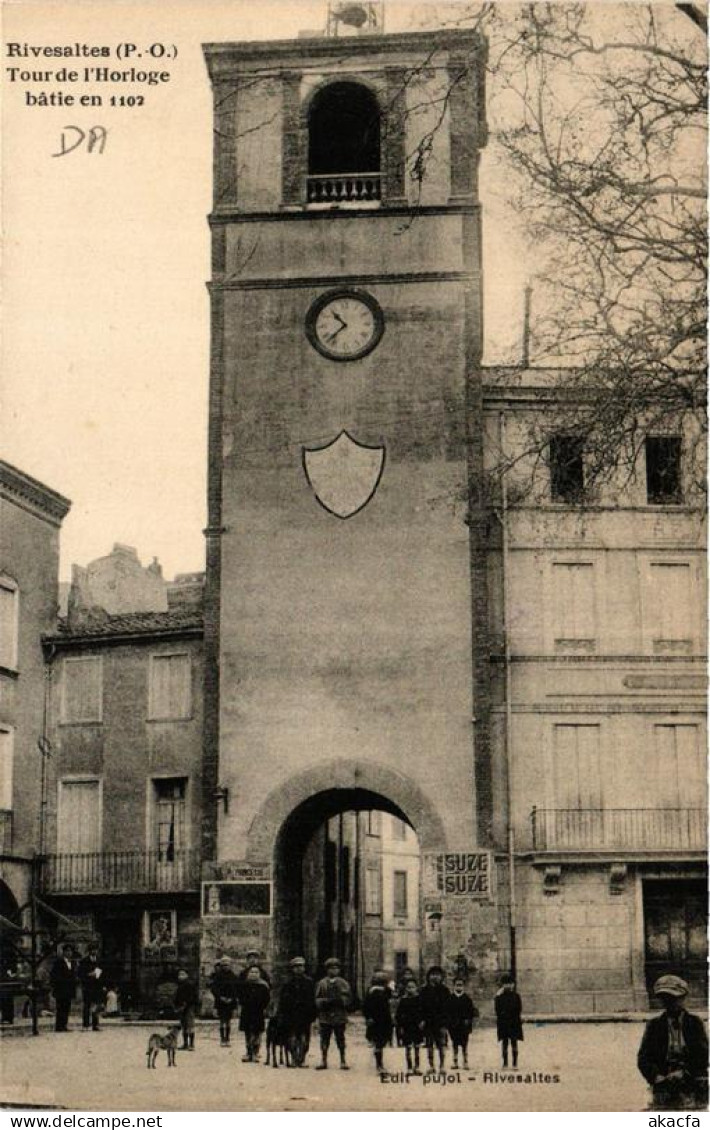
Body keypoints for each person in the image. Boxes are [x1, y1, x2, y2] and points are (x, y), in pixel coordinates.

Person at [638, 975, 708, 1110]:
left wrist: (685, 1073)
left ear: (683, 998)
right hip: (664, 1083)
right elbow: (643, 1058)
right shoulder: (654, 1025)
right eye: (665, 999)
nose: (670, 1003)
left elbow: (703, 1056)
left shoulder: (695, 1023)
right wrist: (656, 1076)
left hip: (693, 1082)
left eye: (674, 999)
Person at [278, 956, 317, 1067]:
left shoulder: (309, 982)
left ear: (304, 968)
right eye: (296, 967)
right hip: (291, 1014)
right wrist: (282, 1013)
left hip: (305, 1014)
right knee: (292, 1037)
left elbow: (312, 999)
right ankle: (294, 1058)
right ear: (292, 968)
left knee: (304, 1038)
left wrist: (313, 1014)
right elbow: (283, 1000)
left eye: (301, 966)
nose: (298, 969)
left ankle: (302, 1058)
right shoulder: (287, 983)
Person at [314, 956, 351, 1071]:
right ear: (327, 970)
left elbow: (348, 999)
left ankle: (343, 1060)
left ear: (339, 970)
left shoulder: (343, 983)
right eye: (331, 968)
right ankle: (323, 1060)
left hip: (339, 1015)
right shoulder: (322, 983)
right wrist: (324, 1002)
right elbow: (317, 998)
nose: (333, 970)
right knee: (324, 1039)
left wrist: (340, 1001)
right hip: (325, 1016)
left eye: (336, 968)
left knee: (340, 1038)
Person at [419, 965, 451, 1074]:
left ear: (441, 977)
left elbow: (448, 1008)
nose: (435, 977)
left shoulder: (445, 991)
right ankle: (431, 1066)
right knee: (429, 1045)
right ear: (428, 977)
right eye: (432, 975)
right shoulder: (424, 990)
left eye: (437, 975)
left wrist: (446, 1023)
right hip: (428, 1022)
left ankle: (442, 1066)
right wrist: (422, 1019)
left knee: (441, 1045)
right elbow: (421, 1007)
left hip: (441, 1023)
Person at [363, 970, 393, 1075]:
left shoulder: (385, 991)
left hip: (383, 1020)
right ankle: (379, 1065)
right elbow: (366, 1007)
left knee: (380, 1043)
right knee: (379, 1044)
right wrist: (368, 1018)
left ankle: (379, 1064)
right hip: (377, 1021)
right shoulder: (372, 992)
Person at [239, 964, 270, 1062]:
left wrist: (263, 1007)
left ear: (259, 974)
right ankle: (248, 1052)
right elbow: (241, 997)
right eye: (252, 972)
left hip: (258, 1012)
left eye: (256, 972)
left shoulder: (263, 986)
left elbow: (266, 999)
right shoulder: (244, 985)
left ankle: (256, 1052)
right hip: (247, 1011)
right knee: (248, 1033)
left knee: (257, 1033)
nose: (254, 974)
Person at [396, 977, 424, 1075]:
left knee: (417, 1047)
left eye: (412, 987)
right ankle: (409, 1067)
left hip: (417, 1027)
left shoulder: (419, 999)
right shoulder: (403, 1000)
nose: (410, 989)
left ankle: (417, 1067)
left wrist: (422, 1021)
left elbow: (423, 1012)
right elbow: (398, 1015)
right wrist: (401, 1027)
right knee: (408, 1048)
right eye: (408, 987)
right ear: (406, 989)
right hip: (407, 1026)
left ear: (416, 988)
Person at [447, 977, 477, 1069]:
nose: (459, 987)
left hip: (464, 1026)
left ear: (463, 986)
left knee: (464, 1044)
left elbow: (471, 1012)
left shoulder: (467, 999)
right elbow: (447, 1012)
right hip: (454, 1025)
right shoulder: (450, 998)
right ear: (454, 986)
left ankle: (465, 1061)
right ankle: (455, 1061)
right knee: (455, 1044)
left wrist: (468, 1020)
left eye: (461, 985)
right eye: (457, 985)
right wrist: (450, 1022)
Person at [210, 955, 240, 1047]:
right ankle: (222, 1038)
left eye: (227, 965)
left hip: (231, 1002)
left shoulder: (234, 976)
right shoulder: (218, 976)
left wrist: (232, 998)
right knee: (222, 1020)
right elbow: (214, 988)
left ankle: (227, 1038)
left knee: (228, 1021)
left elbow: (237, 989)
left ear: (230, 965)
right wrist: (220, 997)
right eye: (223, 965)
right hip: (220, 1001)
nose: (225, 967)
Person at [494, 975, 523, 1067]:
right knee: (505, 1043)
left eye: (510, 984)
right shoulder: (499, 997)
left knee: (514, 1042)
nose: (508, 986)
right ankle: (505, 1062)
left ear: (513, 985)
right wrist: (497, 996)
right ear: (502, 985)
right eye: (506, 984)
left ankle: (515, 1063)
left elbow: (519, 1009)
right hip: (504, 1023)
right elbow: (497, 1009)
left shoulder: (516, 996)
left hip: (514, 1022)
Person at [49, 944, 77, 1033]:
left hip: (69, 988)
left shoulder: (73, 963)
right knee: (60, 1007)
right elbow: (54, 975)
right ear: (64, 952)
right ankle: (59, 1026)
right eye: (67, 951)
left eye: (70, 951)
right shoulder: (58, 962)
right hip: (61, 989)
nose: (69, 953)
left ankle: (64, 1024)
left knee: (67, 1007)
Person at [77, 946, 102, 1031]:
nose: (94, 951)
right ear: (89, 951)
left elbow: (103, 972)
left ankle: (95, 1024)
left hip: (97, 986)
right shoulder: (84, 961)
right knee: (87, 1006)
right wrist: (88, 975)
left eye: (95, 949)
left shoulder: (99, 960)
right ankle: (86, 1024)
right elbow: (80, 974)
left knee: (96, 1006)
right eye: (92, 950)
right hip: (87, 986)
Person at [174, 968, 198, 1051]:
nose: (180, 976)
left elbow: (193, 997)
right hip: (182, 1007)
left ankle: (191, 1044)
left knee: (190, 1025)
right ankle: (185, 1043)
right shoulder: (179, 986)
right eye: (179, 974)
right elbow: (177, 997)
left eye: (183, 974)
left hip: (189, 1007)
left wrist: (186, 1003)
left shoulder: (190, 985)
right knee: (184, 1025)